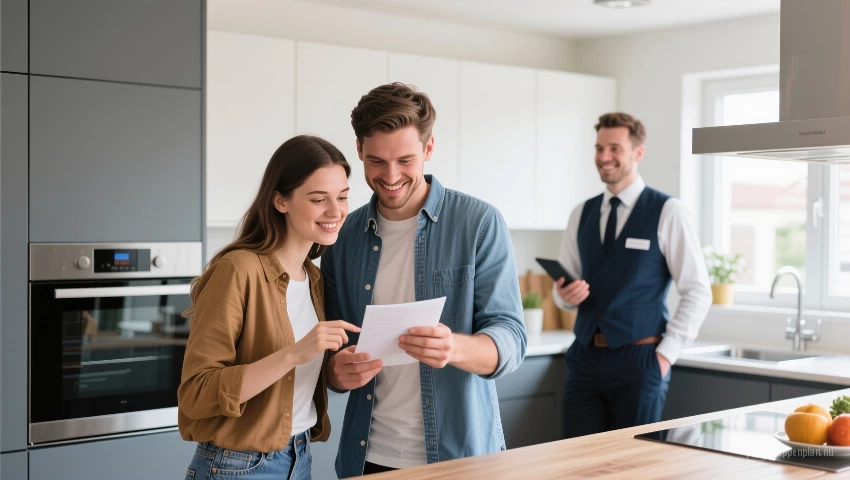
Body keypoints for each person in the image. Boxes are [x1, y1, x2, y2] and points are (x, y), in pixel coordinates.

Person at [320, 82, 527, 477]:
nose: (391, 176)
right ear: (360, 150)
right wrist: (336, 373)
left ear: (429, 150)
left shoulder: (478, 223)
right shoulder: (342, 237)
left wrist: (455, 347)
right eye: (377, 161)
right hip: (367, 459)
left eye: (406, 160)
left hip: (461, 459)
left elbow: (512, 338)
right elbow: (333, 353)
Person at [177, 135, 360, 480]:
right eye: (319, 199)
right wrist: (294, 353)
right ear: (280, 201)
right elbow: (196, 394)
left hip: (300, 458)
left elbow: (293, 386)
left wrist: (337, 370)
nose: (335, 212)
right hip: (237, 466)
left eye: (342, 197)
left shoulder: (314, 279)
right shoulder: (238, 270)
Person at [553, 112, 712, 439]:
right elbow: (562, 289)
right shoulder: (580, 213)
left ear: (638, 153)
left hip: (640, 361)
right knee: (575, 463)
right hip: (583, 358)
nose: (603, 157)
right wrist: (563, 297)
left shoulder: (668, 211)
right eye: (599, 148)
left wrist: (665, 357)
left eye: (614, 148)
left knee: (634, 467)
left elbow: (698, 290)